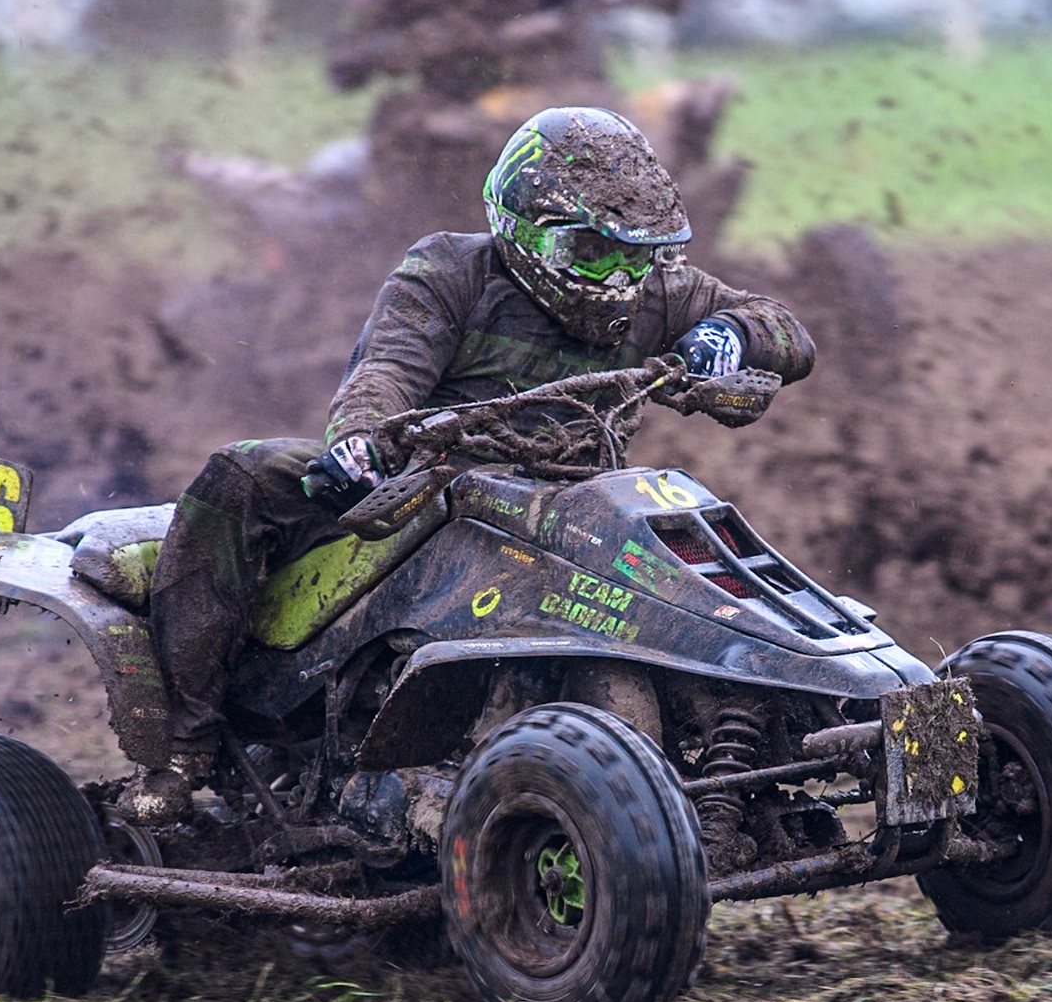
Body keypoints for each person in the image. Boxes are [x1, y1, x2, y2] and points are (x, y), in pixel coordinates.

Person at [121, 106, 817, 825]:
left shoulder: (662, 292)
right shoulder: (449, 270)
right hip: (435, 481)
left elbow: (787, 332)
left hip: (582, 500)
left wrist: (728, 333)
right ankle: (184, 746)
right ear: (523, 227)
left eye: (635, 257)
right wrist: (358, 442)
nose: (616, 277)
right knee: (242, 472)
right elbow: (385, 370)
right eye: (591, 252)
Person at [325, 0, 690, 234]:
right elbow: (345, 58)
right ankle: (416, 235)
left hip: (558, 94)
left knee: (654, 121)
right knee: (404, 123)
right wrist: (413, 45)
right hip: (456, 103)